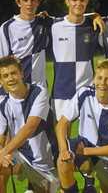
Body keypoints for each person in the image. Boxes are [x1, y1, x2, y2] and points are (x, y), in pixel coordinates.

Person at [0, 0, 104, 89]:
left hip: (40, 89)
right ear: (18, 2)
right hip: (16, 88)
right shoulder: (7, 28)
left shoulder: (45, 22)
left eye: (33, 0)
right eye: (25, 0)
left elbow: (73, 17)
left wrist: (94, 15)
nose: (29, 3)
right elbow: (2, 63)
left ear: (38, 2)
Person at [56, 58, 108, 193]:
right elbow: (62, 124)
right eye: (99, 78)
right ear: (94, 79)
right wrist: (63, 150)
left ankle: (90, 182)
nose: (102, 83)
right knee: (63, 161)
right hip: (83, 147)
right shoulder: (84, 94)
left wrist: (86, 151)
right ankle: (83, 184)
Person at [0, 56, 59, 193]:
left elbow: (30, 127)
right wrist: (3, 154)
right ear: (1, 81)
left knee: (43, 188)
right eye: (5, 76)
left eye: (13, 73)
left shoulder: (39, 92)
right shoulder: (3, 105)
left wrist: (5, 151)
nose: (10, 78)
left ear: (22, 74)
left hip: (45, 162)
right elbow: (1, 137)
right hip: (21, 158)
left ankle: (37, 186)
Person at [50, 0, 101, 121]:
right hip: (61, 91)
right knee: (61, 135)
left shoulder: (93, 25)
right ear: (67, 2)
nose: (78, 3)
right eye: (74, 0)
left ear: (87, 2)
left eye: (82, 0)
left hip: (87, 90)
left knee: (89, 137)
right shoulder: (53, 25)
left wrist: (95, 16)